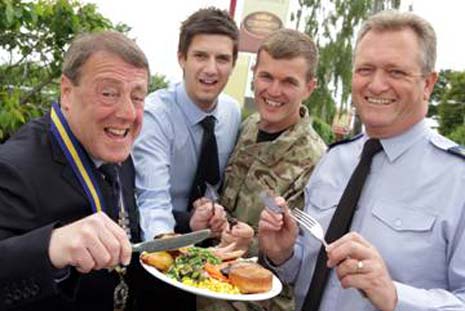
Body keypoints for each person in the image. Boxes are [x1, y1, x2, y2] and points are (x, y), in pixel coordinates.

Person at [259, 10, 465, 311]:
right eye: (365, 70)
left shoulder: (457, 181)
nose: (377, 85)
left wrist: (394, 295)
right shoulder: (334, 160)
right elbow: (308, 270)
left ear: (428, 84)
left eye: (396, 72)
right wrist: (283, 254)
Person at [0, 31, 154, 310]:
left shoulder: (116, 144)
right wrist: (51, 247)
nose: (128, 113)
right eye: (109, 93)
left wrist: (189, 223)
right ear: (67, 93)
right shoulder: (12, 167)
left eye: (137, 96)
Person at [197, 29, 326, 311]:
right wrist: (212, 213)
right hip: (207, 289)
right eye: (267, 76)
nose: (274, 91)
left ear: (309, 87)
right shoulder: (247, 127)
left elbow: (304, 258)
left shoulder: (318, 164)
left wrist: (252, 245)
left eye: (289, 82)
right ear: (254, 74)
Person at [133, 7, 241, 241]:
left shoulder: (233, 113)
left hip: (209, 243)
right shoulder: (155, 115)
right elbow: (152, 201)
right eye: (201, 56)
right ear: (181, 57)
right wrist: (164, 250)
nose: (211, 69)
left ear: (233, 64)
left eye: (222, 58)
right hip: (158, 239)